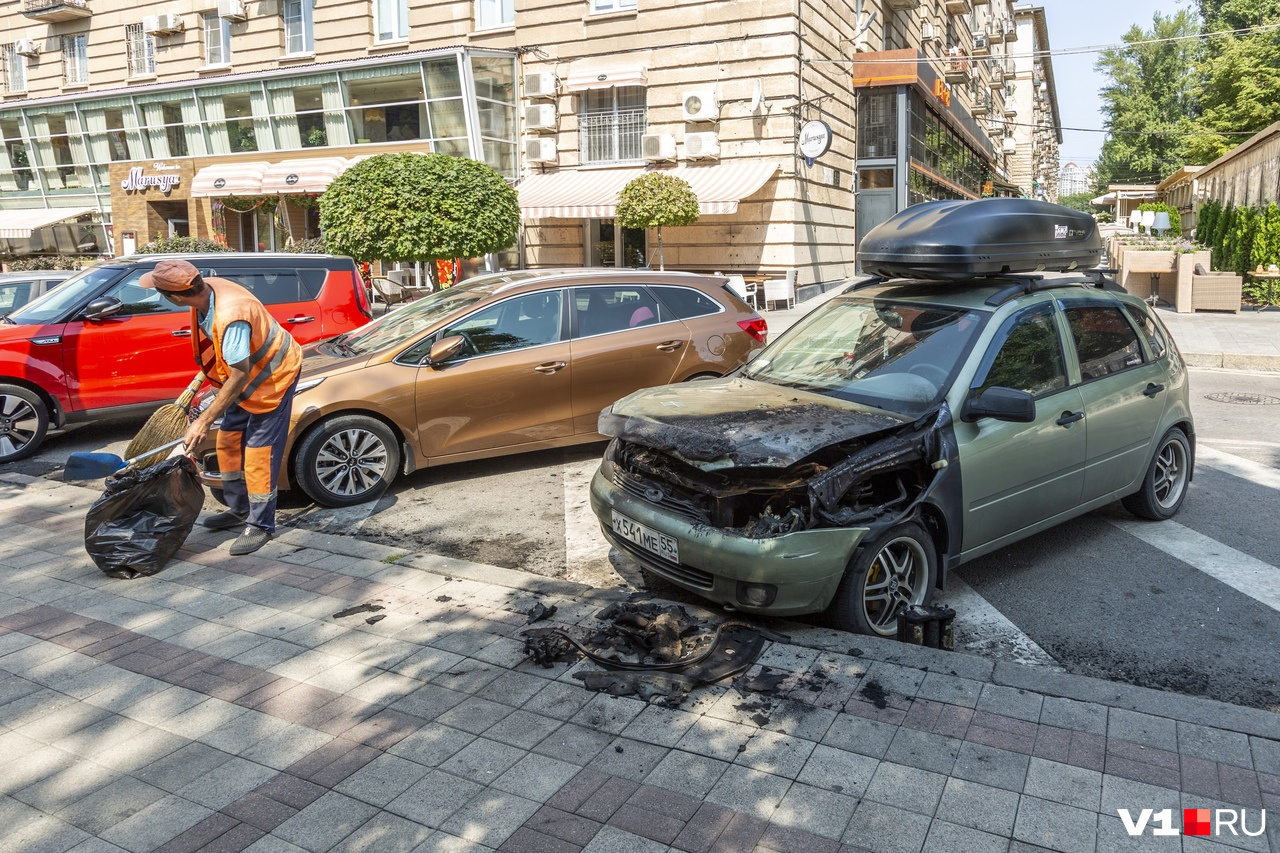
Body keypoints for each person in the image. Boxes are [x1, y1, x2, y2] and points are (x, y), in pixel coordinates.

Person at [140, 259, 302, 555]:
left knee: (258, 453)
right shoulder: (205, 294)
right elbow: (225, 355)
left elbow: (241, 374)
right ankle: (239, 509)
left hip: (271, 379)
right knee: (228, 441)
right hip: (243, 379)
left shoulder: (232, 314)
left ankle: (261, 525)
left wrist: (203, 420)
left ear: (176, 297)